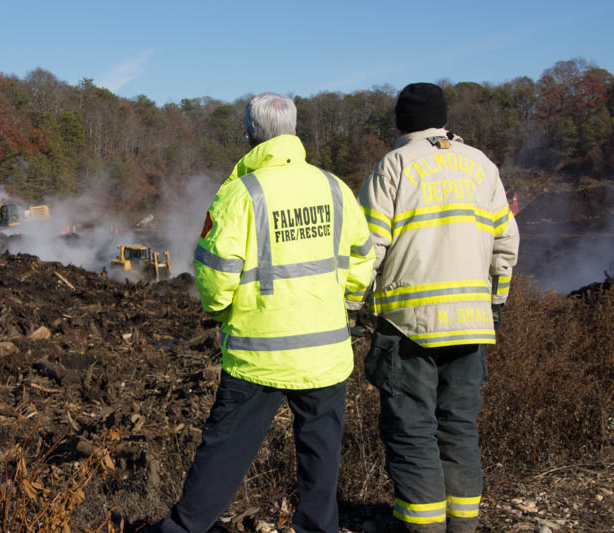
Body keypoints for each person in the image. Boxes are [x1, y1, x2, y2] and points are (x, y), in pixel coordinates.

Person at [155, 93, 375, 533]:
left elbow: (216, 278)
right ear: (295, 132)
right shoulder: (335, 188)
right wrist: (346, 306)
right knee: (320, 462)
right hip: (326, 355)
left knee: (223, 455)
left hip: (259, 357)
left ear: (249, 135)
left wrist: (219, 312)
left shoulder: (240, 194)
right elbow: (362, 258)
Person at [349, 83, 519, 533]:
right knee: (459, 427)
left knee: (412, 430)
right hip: (473, 322)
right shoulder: (482, 166)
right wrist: (496, 301)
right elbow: (506, 241)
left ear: (401, 122)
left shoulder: (395, 165)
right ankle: (462, 526)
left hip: (410, 328)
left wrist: (350, 305)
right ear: (443, 118)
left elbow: (368, 248)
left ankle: (423, 528)